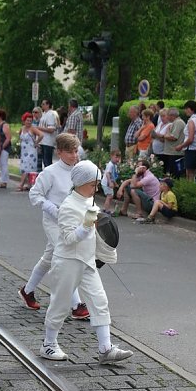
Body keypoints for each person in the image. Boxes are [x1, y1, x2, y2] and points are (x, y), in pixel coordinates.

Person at [39, 160, 133, 364]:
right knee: (61, 304)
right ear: (81, 182)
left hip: (87, 261)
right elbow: (67, 239)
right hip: (67, 262)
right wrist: (85, 227)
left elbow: (94, 233)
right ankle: (48, 344)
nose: (96, 188)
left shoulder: (89, 202)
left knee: (99, 301)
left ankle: (105, 348)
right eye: (93, 184)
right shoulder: (68, 205)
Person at [19, 133, 89, 320]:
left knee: (49, 258)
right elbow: (35, 195)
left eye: (76, 151)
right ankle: (76, 305)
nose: (74, 155)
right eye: (70, 152)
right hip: (53, 222)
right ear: (59, 152)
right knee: (67, 256)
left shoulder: (79, 170)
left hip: (73, 222)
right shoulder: (50, 172)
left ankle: (28, 290)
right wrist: (52, 208)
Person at [176, 101, 196, 181]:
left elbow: (190, 138)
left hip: (191, 149)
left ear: (190, 109)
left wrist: (181, 146)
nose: (185, 111)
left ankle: (189, 189)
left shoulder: (192, 121)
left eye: (186, 109)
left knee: (189, 173)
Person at [17, 113, 43, 191]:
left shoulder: (33, 128)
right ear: (24, 120)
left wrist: (36, 142)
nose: (29, 122)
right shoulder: (22, 128)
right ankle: (29, 184)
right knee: (25, 167)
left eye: (30, 121)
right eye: (27, 120)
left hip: (31, 150)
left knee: (27, 167)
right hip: (24, 150)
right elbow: (20, 137)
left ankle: (21, 184)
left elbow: (41, 134)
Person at [161, 107, 186, 177]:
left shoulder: (178, 122)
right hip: (172, 152)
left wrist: (164, 136)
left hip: (175, 153)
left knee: (176, 173)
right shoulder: (175, 123)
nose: (167, 117)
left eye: (168, 115)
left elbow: (174, 137)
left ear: (172, 116)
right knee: (172, 173)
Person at [0, 109, 12, 189]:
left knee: (3, 164)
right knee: (0, 164)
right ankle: (1, 180)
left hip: (4, 147)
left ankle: (4, 181)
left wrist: (2, 147)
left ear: (1, 116)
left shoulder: (4, 125)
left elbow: (8, 138)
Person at [38, 100, 59, 167]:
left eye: (43, 104)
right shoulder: (44, 114)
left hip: (48, 142)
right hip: (43, 141)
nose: (42, 105)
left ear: (48, 105)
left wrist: (39, 128)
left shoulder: (51, 114)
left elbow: (51, 129)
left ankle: (50, 176)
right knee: (44, 161)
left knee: (47, 162)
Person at [101, 149, 121, 213]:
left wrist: (115, 183)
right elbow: (107, 174)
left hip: (108, 183)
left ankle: (105, 208)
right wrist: (110, 182)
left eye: (119, 157)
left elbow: (113, 176)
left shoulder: (114, 165)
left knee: (110, 196)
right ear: (111, 156)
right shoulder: (111, 165)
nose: (117, 159)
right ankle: (106, 210)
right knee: (109, 196)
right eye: (116, 157)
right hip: (106, 183)